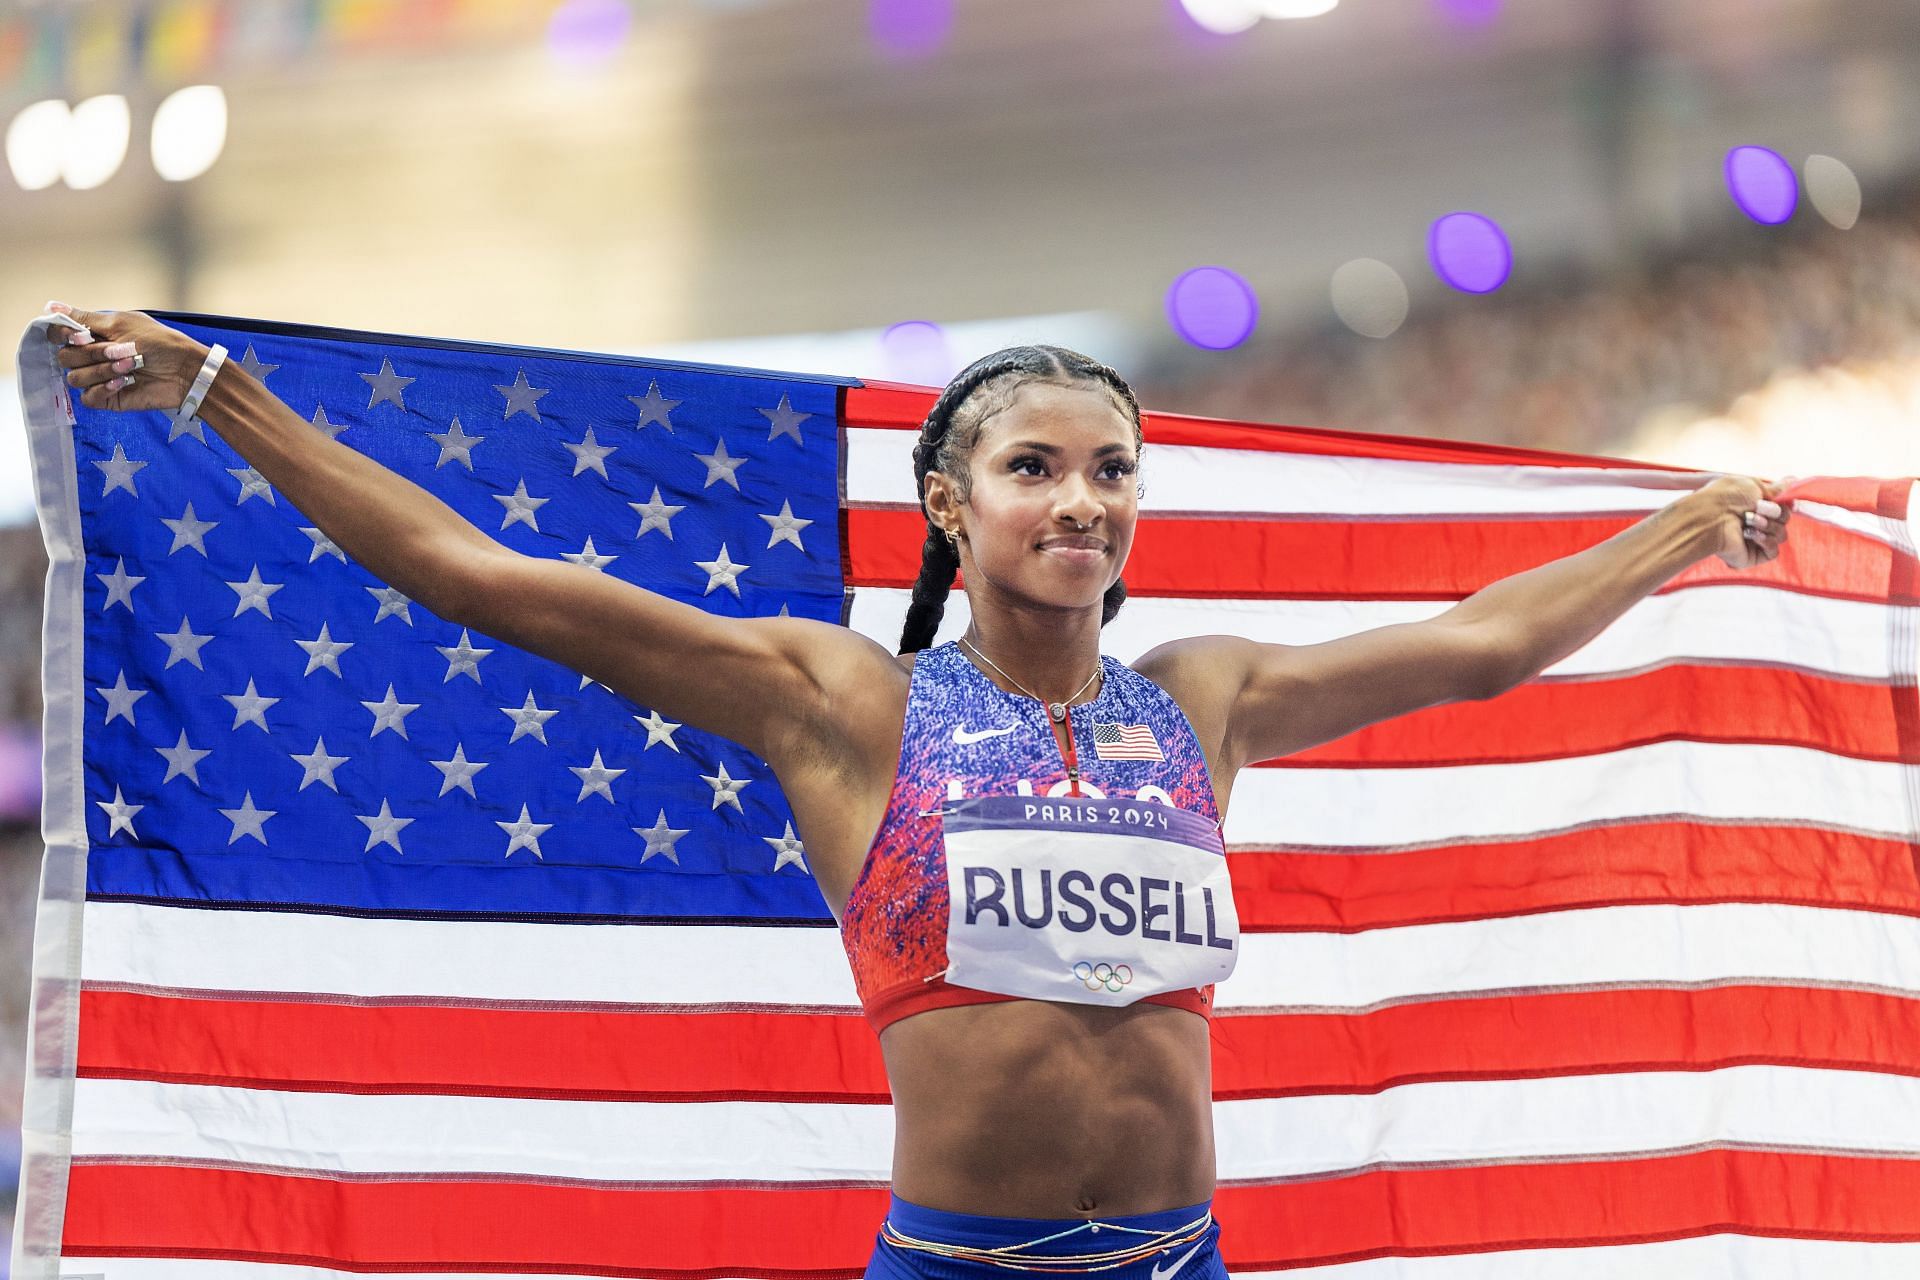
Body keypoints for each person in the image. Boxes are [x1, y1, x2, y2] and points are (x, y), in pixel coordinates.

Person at [44, 306, 1791, 1279]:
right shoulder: (847, 707)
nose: (1082, 501)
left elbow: (1483, 644)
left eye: (1112, 470)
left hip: (1186, 1263)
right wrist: (222, 394)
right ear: (951, 509)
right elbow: (489, 581)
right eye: (1034, 469)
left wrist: (1687, 526)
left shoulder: (1209, 700)